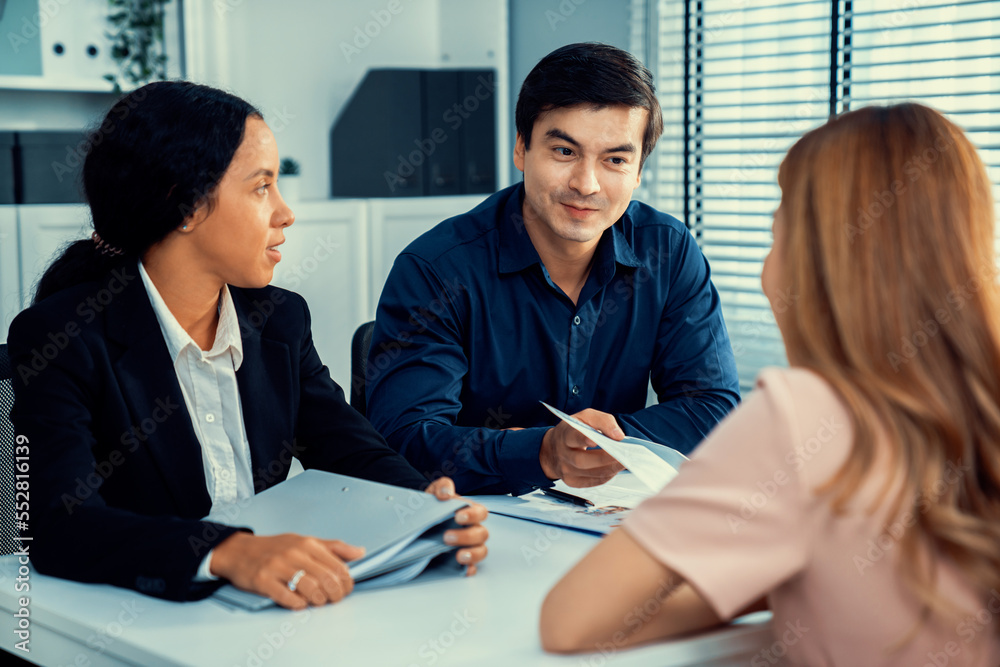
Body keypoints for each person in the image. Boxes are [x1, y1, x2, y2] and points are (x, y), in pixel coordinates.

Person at [539, 103, 1000, 665]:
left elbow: (569, 619)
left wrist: (745, 579)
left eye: (777, 233)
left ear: (817, 260)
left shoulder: (804, 416)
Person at [7, 81, 488, 609]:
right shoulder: (61, 337)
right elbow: (57, 526)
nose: (286, 213)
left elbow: (348, 446)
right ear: (184, 204)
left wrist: (422, 503)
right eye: (262, 188)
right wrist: (226, 553)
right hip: (147, 614)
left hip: (268, 612)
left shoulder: (279, 319)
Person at [366, 43, 740, 495]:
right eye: (564, 151)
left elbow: (713, 407)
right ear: (522, 149)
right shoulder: (436, 269)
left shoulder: (669, 251)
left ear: (639, 170)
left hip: (610, 519)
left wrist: (597, 446)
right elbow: (404, 441)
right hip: (476, 524)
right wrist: (543, 453)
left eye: (615, 160)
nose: (586, 183)